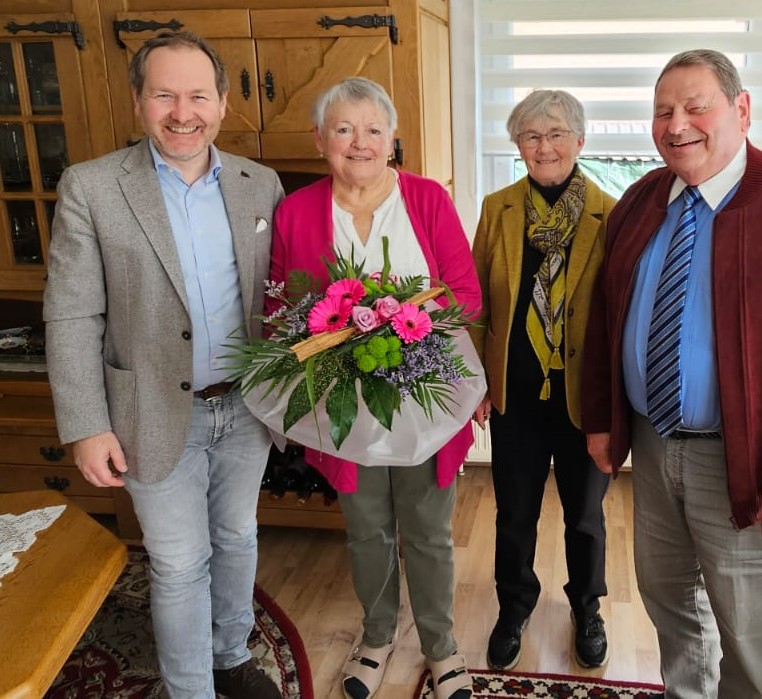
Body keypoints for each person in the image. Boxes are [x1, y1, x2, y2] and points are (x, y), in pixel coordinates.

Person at [581, 49, 762, 698]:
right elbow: (605, 321)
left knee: (748, 637)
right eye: (663, 111)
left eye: (696, 106)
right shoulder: (638, 203)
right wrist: (604, 421)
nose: (676, 123)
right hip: (655, 450)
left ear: (741, 111)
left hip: (750, 462)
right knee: (671, 608)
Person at [43, 31, 284, 699]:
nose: (184, 113)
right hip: (146, 410)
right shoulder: (91, 187)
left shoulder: (259, 183)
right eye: (165, 95)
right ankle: (190, 690)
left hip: (245, 406)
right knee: (180, 563)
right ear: (137, 101)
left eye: (198, 95)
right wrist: (85, 424)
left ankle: (230, 653)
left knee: (237, 537)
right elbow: (70, 313)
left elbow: (281, 293)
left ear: (225, 103)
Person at [265, 77, 477, 699]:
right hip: (341, 403)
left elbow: (464, 295)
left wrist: (401, 329)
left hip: (426, 397)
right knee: (366, 527)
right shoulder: (297, 210)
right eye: (343, 129)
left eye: (373, 129)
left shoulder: (428, 200)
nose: (359, 143)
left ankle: (441, 647)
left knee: (428, 528)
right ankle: (378, 636)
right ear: (320, 139)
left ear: (393, 140)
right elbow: (283, 305)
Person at [469, 89, 616, 671]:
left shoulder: (611, 213)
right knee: (515, 511)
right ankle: (515, 606)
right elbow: (476, 302)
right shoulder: (498, 208)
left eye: (556, 134)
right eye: (531, 136)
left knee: (585, 515)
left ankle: (587, 607)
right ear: (518, 146)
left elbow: (618, 313)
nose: (544, 146)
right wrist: (478, 382)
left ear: (580, 142)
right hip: (517, 394)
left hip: (585, 396)